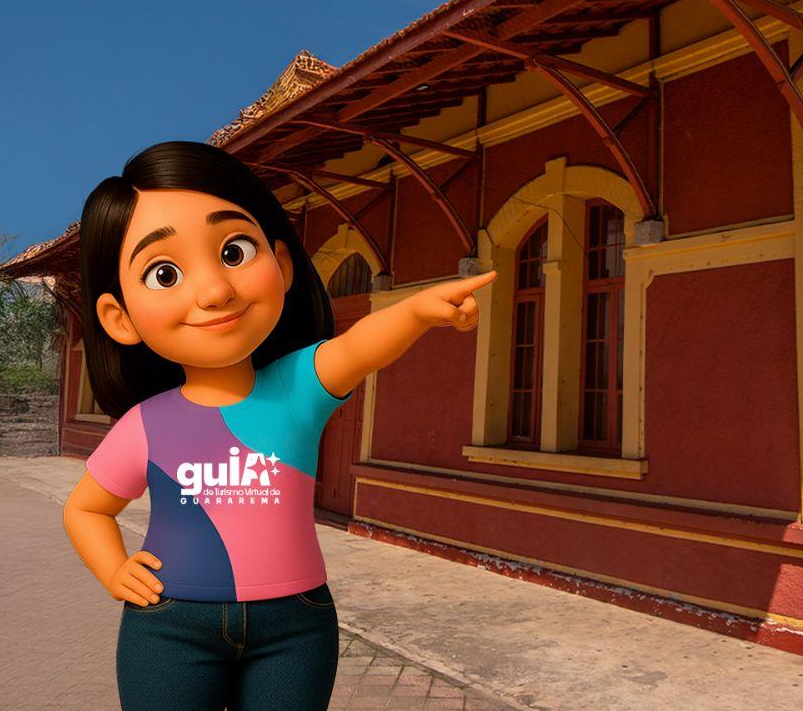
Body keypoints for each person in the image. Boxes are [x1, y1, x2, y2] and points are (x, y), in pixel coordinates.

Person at [61, 140, 496, 710]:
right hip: (168, 625)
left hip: (294, 627)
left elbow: (359, 346)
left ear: (282, 264)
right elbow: (86, 508)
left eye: (234, 251)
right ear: (120, 318)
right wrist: (114, 569)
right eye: (165, 274)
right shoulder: (146, 423)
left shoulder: (298, 386)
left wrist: (415, 311)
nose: (215, 290)